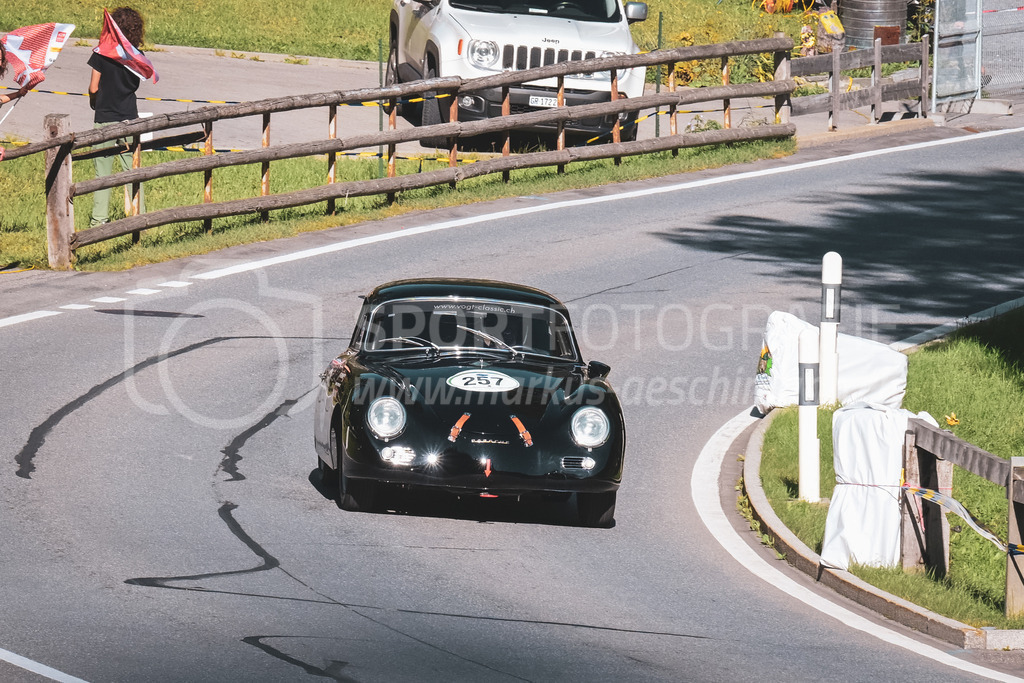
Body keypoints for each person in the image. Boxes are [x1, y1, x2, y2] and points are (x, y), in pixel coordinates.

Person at [88, 7, 147, 226]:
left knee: (102, 174)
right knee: (133, 170)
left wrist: (93, 99)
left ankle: (99, 220)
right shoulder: (138, 58)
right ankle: (140, 217)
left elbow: (94, 88)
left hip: (105, 117)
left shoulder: (101, 54)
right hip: (130, 117)